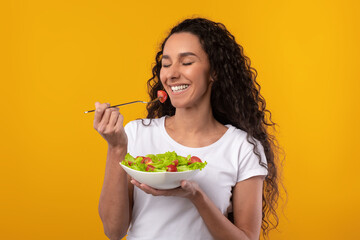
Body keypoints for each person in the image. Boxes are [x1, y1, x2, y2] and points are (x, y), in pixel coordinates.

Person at [94, 17, 281, 240]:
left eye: (186, 62)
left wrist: (197, 197)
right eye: (166, 64)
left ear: (214, 72)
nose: (171, 74)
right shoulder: (135, 134)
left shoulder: (242, 147)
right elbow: (113, 231)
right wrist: (116, 148)